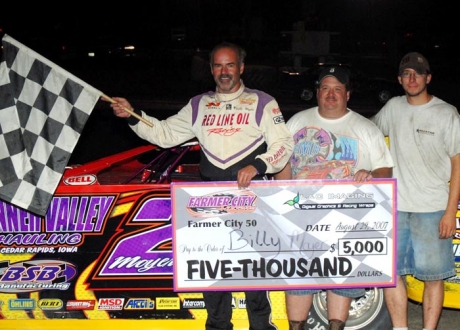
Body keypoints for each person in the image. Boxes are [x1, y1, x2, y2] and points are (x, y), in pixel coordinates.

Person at [107, 42, 294, 330]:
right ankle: (218, 326)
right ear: (211, 70)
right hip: (209, 198)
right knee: (213, 270)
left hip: (250, 196)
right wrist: (133, 115)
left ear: (241, 68)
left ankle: (261, 326)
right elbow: (165, 134)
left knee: (253, 270)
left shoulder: (263, 102)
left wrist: (258, 165)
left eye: (230, 65)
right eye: (218, 65)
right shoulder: (198, 104)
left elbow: (284, 144)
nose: (224, 71)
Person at [275, 66, 394, 330]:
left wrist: (370, 173)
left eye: (338, 89)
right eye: (326, 88)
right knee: (299, 277)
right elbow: (282, 165)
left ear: (347, 94)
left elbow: (385, 169)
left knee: (341, 275)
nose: (331, 94)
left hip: (348, 220)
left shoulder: (365, 128)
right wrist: (278, 196)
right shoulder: (296, 122)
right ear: (317, 93)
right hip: (300, 215)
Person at [371, 52, 460, 330]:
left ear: (428, 78)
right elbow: (367, 134)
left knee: (434, 277)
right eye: (407, 74)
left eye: (418, 73)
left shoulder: (447, 113)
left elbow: (458, 164)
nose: (412, 78)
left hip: (433, 208)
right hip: (395, 207)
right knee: (391, 272)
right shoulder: (393, 108)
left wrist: (449, 212)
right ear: (399, 80)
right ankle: (400, 328)